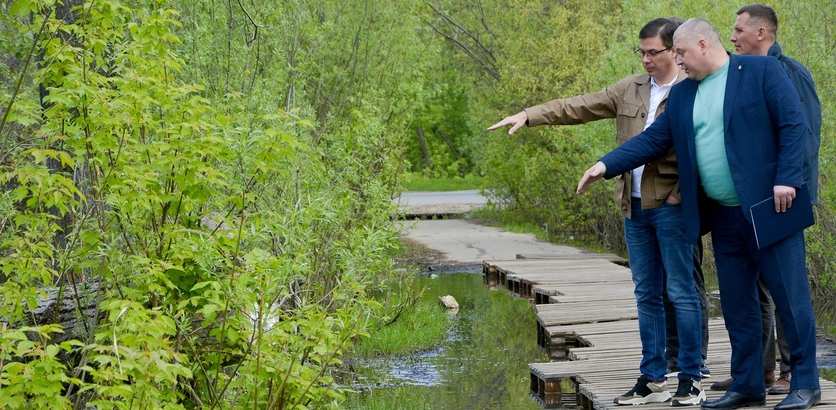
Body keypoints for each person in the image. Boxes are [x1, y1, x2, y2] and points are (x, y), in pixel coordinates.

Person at [576, 18, 820, 410]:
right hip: (723, 215)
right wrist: (605, 165)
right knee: (737, 304)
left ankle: (806, 384)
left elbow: (793, 125)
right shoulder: (686, 94)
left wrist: (788, 178)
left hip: (772, 207)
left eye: (682, 54)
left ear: (703, 44)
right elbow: (654, 138)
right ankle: (747, 384)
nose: (680, 63)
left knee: (790, 298)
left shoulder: (760, 71)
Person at [487, 18, 707, 406]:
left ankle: (690, 376)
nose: (646, 60)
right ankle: (652, 376)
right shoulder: (631, 89)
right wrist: (529, 114)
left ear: (675, 51)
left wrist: (680, 194)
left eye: (653, 52)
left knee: (682, 292)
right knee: (646, 294)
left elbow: (706, 151)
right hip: (634, 207)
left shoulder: (692, 90)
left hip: (671, 208)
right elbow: (580, 106)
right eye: (641, 53)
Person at [710, 4, 822, 396]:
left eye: (739, 30)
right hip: (747, 205)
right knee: (751, 292)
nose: (733, 36)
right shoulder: (738, 75)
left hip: (782, 200)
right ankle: (759, 371)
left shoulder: (789, 72)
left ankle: (795, 372)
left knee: (785, 288)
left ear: (762, 33)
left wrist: (793, 189)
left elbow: (803, 136)